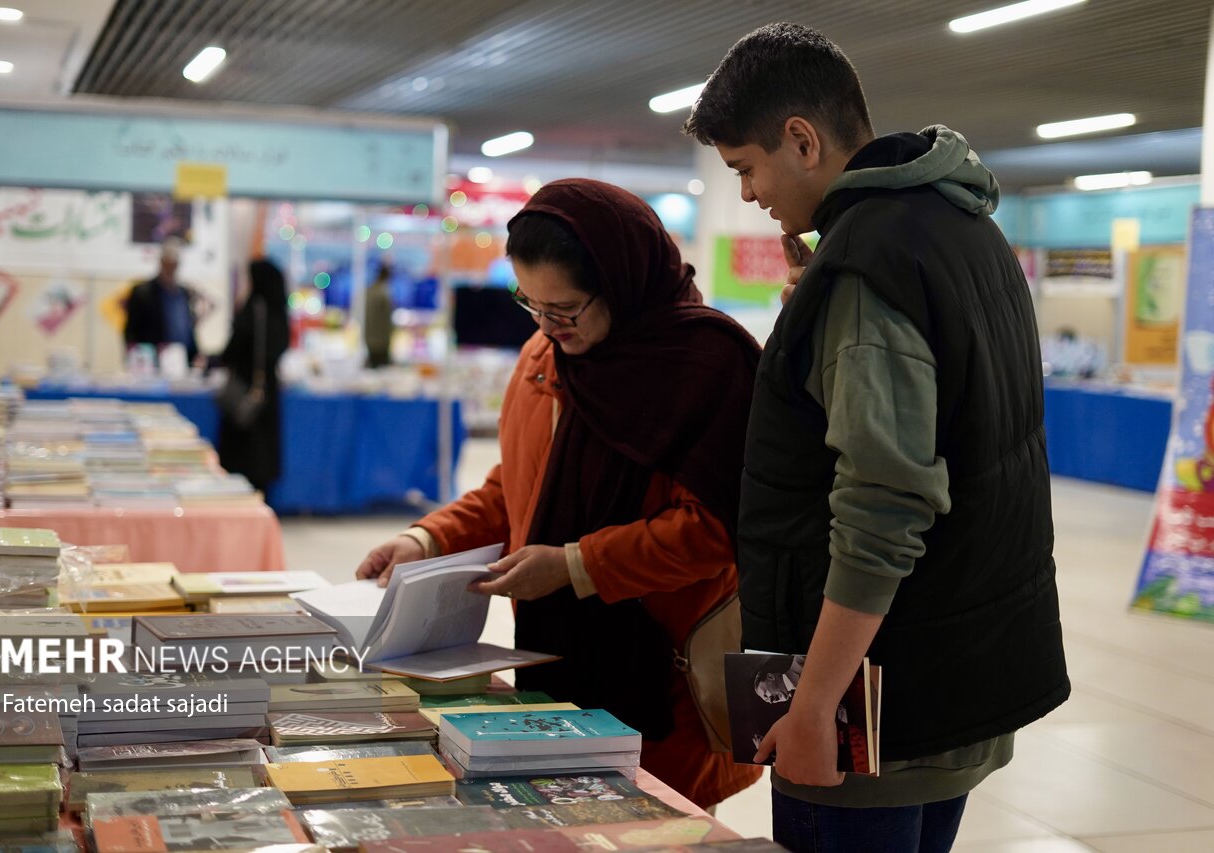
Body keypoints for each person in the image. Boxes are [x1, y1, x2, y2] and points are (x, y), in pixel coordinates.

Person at [684, 22, 1070, 853]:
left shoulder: (868, 267)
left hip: (877, 704)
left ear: (801, 139)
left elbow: (884, 501)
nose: (748, 194)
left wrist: (814, 700)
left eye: (745, 168)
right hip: (958, 670)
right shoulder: (968, 231)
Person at [356, 178, 763, 809]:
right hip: (555, 667)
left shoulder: (705, 368)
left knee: (659, 829)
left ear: (624, 283)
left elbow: (716, 529)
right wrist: (428, 537)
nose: (548, 325)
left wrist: (576, 565)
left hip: (665, 684)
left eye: (566, 309)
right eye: (531, 304)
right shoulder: (546, 358)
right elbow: (518, 486)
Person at [217, 259, 290, 494]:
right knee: (262, 460)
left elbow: (233, 350)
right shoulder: (278, 311)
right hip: (267, 391)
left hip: (248, 389)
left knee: (244, 456)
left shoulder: (255, 309)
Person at [124, 237, 200, 363]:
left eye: (174, 264)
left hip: (182, 360)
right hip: (153, 359)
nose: (171, 268)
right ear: (161, 262)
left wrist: (196, 353)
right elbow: (130, 331)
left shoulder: (183, 293)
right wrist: (135, 357)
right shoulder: (142, 293)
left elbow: (187, 329)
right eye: (168, 263)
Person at [364, 262, 395, 368]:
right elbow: (387, 319)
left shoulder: (369, 291)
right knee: (381, 370)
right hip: (381, 340)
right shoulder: (383, 293)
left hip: (369, 337)